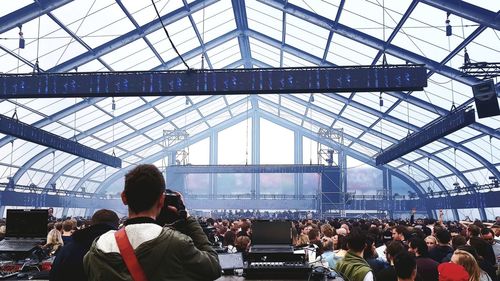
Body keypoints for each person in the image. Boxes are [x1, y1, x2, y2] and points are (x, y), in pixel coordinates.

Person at [83, 164, 221, 281]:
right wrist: (188, 217)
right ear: (161, 200)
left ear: (124, 198)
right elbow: (213, 267)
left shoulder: (95, 252)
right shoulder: (176, 243)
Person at [50, 209, 119, 281]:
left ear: (91, 224)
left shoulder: (68, 249)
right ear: (117, 225)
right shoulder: (124, 248)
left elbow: (54, 275)